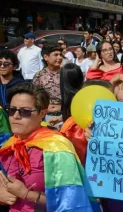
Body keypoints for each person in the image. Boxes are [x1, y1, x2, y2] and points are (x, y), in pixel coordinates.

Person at [0, 82, 96, 211]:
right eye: (12, 110)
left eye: (25, 111)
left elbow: (72, 200)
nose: (16, 116)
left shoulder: (56, 148)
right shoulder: (9, 145)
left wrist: (25, 194)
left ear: (42, 114)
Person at [33, 44, 63, 128]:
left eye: (61, 55)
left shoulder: (66, 74)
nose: (60, 57)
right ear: (46, 57)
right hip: (44, 117)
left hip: (63, 116)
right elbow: (35, 97)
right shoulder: (39, 75)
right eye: (56, 55)